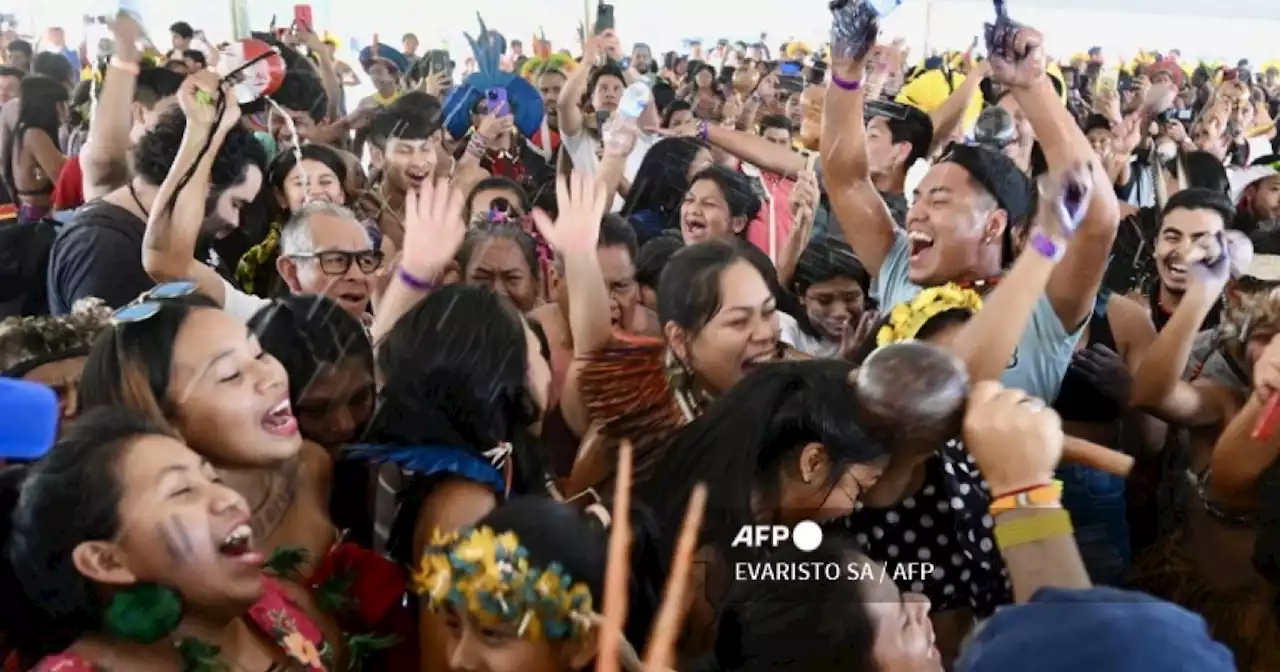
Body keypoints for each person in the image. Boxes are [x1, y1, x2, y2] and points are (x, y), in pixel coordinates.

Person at [0, 407, 332, 670]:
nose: (229, 498)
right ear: (107, 560)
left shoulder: (278, 608)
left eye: (212, 477)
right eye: (182, 490)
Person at [45, 104, 266, 314]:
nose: (235, 221)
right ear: (202, 182)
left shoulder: (182, 236)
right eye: (236, 204)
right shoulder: (101, 249)